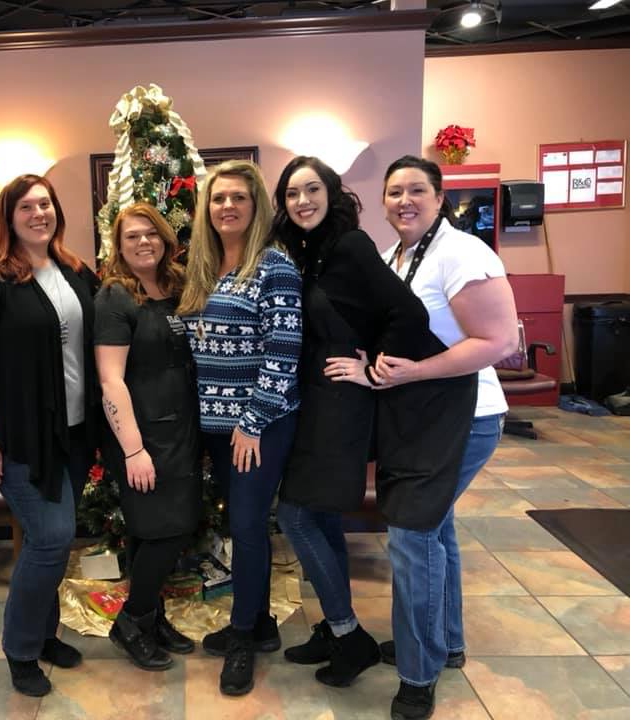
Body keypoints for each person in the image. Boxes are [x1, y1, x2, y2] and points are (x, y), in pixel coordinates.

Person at [337, 155, 517, 720]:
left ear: (440, 198)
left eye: (417, 190)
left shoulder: (462, 253)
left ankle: (418, 673)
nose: (404, 201)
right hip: (419, 417)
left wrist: (414, 372)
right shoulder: (396, 255)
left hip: (467, 417)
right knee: (436, 529)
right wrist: (370, 368)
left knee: (412, 534)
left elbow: (500, 341)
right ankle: (446, 643)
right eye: (395, 192)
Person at [272, 156, 450, 688]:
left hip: (341, 405)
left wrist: (374, 369)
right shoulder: (307, 252)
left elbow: (408, 314)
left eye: (312, 189)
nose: (302, 201)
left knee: (296, 516)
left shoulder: (350, 246)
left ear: (331, 192)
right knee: (321, 517)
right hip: (314, 401)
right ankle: (335, 627)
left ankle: (350, 636)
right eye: (291, 193)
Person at [0, 174, 100, 697]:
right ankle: (20, 648)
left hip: (75, 432)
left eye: (45, 204)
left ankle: (44, 635)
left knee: (52, 541)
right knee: (51, 537)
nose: (39, 213)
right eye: (27, 207)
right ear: (9, 218)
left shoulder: (75, 271)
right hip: (21, 436)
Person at [178, 159, 302, 696]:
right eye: (218, 198)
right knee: (241, 525)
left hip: (258, 425)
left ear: (257, 207)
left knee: (248, 527)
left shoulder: (274, 267)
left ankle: (244, 637)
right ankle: (264, 622)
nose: (227, 206)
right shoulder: (203, 267)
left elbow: (284, 350)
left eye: (239, 198)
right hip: (214, 425)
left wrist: (253, 422)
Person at [95, 203, 200, 671]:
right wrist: (133, 449)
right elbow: (111, 380)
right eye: (132, 236)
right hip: (143, 436)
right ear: (119, 246)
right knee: (167, 529)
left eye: (151, 234)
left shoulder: (175, 287)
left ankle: (151, 618)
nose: (143, 242)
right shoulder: (115, 297)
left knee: (153, 530)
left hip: (181, 429)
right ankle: (131, 621)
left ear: (165, 238)